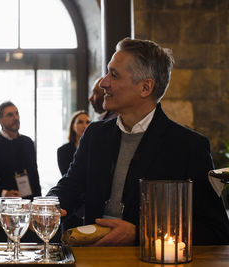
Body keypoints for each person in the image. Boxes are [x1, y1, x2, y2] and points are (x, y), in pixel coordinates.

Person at [48, 37, 229, 246]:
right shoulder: (95, 135)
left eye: (113, 75)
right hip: (94, 258)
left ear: (145, 88)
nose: (103, 82)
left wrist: (141, 234)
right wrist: (48, 205)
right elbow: (70, 186)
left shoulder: (189, 146)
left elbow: (215, 230)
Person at [0, 101, 41, 199]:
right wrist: (4, 194)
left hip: (29, 201)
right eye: (10, 115)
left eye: (17, 113)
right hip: (4, 203)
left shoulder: (28, 142)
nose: (16, 118)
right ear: (0, 120)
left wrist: (38, 201)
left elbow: (34, 174)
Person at [57, 110, 90, 175]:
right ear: (73, 126)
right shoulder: (62, 150)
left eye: (88, 122)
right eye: (80, 122)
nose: (85, 126)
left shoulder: (96, 148)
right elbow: (66, 176)